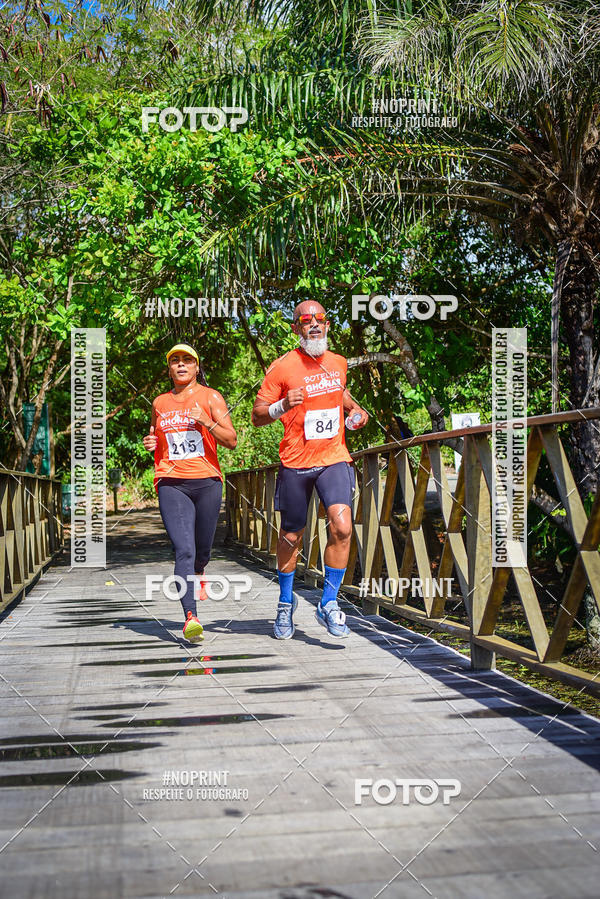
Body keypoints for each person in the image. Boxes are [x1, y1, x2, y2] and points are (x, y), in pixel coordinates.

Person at [251, 302, 368, 640]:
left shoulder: (338, 363)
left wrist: (357, 410)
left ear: (328, 325)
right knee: (291, 536)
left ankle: (328, 603)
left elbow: (338, 393)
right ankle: (286, 603)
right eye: (306, 320)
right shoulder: (282, 368)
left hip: (333, 457)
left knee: (343, 527)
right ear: (296, 329)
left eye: (320, 319)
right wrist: (282, 405)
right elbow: (257, 416)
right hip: (296, 463)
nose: (314, 325)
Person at [143, 344, 237, 643]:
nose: (181, 365)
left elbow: (231, 441)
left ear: (197, 367)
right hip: (171, 482)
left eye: (187, 360)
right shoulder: (160, 402)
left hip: (207, 480)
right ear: (169, 369)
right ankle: (191, 617)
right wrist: (150, 443)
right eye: (175, 361)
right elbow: (158, 439)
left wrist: (206, 421)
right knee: (183, 549)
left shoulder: (211, 397)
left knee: (202, 549)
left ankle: (200, 569)